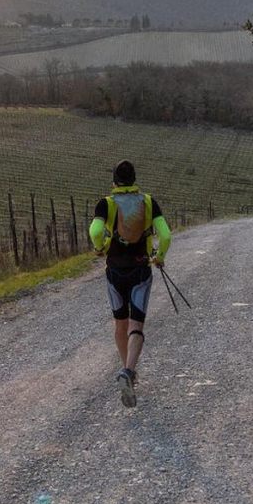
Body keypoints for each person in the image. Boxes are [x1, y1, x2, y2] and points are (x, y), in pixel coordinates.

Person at [89, 160, 171, 408]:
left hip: (115, 271)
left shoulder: (106, 203)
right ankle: (128, 371)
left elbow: (95, 231)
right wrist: (159, 257)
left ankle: (126, 370)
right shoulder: (148, 202)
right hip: (140, 271)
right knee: (136, 324)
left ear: (114, 182)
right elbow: (165, 235)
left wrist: (101, 247)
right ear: (134, 180)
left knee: (120, 322)